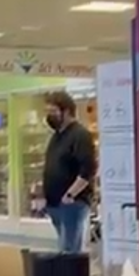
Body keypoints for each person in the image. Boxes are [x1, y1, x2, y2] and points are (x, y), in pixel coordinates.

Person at [42, 91, 96, 254]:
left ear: (66, 111)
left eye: (53, 112)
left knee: (70, 249)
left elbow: (87, 169)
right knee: (63, 247)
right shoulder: (56, 136)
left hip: (72, 203)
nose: (49, 116)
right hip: (55, 203)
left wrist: (71, 194)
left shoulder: (80, 135)